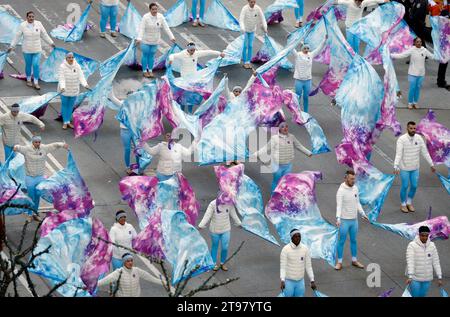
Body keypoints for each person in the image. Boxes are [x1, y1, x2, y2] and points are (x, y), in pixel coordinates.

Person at [13, 136, 69, 213]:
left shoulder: (44, 148)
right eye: (36, 142)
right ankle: (30, 214)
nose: (38, 143)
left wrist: (62, 144)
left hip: (40, 177)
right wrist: (16, 147)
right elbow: (19, 147)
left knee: (37, 196)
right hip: (30, 178)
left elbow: (53, 145)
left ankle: (35, 213)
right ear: (32, 142)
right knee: (31, 197)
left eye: (39, 142)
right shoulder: (26, 149)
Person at [254, 122, 312, 193]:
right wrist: (256, 154)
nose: (285, 128)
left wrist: (308, 153)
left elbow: (299, 146)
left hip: (288, 165)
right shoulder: (274, 138)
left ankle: (281, 198)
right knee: (276, 181)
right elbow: (266, 148)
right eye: (282, 127)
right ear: (279, 129)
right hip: (277, 166)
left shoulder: (291, 137)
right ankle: (273, 197)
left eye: (286, 126)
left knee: (285, 182)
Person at [393, 121, 435, 213]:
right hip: (404, 168)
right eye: (411, 128)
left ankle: (409, 202)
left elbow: (425, 152)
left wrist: (431, 164)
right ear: (407, 128)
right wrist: (396, 165)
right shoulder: (401, 139)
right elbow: (398, 154)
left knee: (414, 186)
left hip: (415, 168)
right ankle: (403, 204)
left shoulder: (419, 138)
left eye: (414, 128)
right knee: (404, 186)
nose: (413, 130)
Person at [8, 11, 55, 90]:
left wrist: (51, 43)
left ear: (34, 17)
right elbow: (17, 36)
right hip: (27, 50)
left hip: (37, 49)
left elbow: (44, 34)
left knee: (36, 65)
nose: (31, 18)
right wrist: (12, 46)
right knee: (28, 65)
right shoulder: (22, 25)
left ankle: (36, 82)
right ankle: (29, 80)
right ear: (27, 17)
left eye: (32, 16)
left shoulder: (39, 24)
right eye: (29, 16)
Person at [335, 170, 369, 271]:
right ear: (346, 178)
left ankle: (354, 260)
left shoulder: (355, 188)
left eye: (354, 179)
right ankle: (339, 262)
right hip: (344, 221)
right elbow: (339, 206)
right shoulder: (341, 191)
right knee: (341, 241)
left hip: (354, 221)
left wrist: (362, 213)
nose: (353, 181)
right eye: (351, 179)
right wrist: (338, 218)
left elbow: (357, 203)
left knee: (354, 240)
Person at [391, 38, 439, 109]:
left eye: (420, 42)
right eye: (417, 42)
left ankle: (415, 102)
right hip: (412, 73)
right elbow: (402, 55)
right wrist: (391, 55)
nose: (419, 43)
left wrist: (441, 56)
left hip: (421, 74)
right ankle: (410, 103)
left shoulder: (424, 50)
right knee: (412, 88)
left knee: (417, 88)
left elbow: (432, 56)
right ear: (414, 43)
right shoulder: (412, 50)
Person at [198, 196, 242, 271]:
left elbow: (234, 215)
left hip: (226, 229)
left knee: (225, 247)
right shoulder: (212, 204)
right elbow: (207, 215)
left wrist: (239, 223)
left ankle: (223, 263)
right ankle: (213, 263)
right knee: (215, 246)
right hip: (215, 230)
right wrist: (201, 225)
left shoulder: (229, 203)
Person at [136, 3, 176, 78]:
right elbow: (141, 28)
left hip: (155, 40)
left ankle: (150, 71)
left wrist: (172, 37)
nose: (155, 11)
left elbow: (166, 28)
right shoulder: (145, 17)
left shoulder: (160, 17)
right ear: (150, 10)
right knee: (145, 55)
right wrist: (139, 38)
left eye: (156, 9)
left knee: (151, 55)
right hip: (146, 40)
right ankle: (144, 71)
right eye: (153, 9)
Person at [97, 253, 164, 297]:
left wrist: (164, 283)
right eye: (128, 261)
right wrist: (91, 286)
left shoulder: (137, 270)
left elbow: (150, 278)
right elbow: (105, 280)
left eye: (131, 260)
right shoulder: (119, 272)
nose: (130, 262)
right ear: (124, 262)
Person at [292, 38, 327, 113]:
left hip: (308, 81)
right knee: (298, 97)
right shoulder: (298, 55)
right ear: (302, 49)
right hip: (299, 80)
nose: (306, 49)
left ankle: (305, 112)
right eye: (305, 48)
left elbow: (319, 48)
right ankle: (297, 112)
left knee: (306, 97)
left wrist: (324, 39)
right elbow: (291, 48)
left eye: (308, 48)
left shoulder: (311, 55)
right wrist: (290, 40)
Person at [406, 226, 443, 297]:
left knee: (422, 295)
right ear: (419, 235)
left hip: (427, 278)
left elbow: (436, 261)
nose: (424, 237)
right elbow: (410, 261)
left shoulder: (432, 245)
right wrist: (410, 276)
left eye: (426, 235)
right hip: (415, 279)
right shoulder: (412, 245)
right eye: (422, 235)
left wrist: (439, 277)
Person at [108, 90, 138, 175]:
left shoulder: (138, 105)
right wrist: (110, 85)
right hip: (125, 131)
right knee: (127, 149)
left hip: (135, 131)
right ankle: (128, 167)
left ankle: (139, 166)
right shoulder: (122, 104)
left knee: (138, 149)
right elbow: (112, 98)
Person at [280, 229, 317, 297]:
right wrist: (282, 280)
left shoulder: (305, 249)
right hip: (288, 282)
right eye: (295, 236)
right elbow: (283, 267)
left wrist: (312, 280)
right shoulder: (285, 250)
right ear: (291, 238)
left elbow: (308, 266)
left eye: (299, 236)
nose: (298, 238)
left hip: (300, 282)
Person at [57, 52, 89, 130]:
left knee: (70, 106)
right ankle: (65, 122)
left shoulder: (77, 66)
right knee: (65, 105)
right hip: (64, 90)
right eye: (69, 58)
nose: (71, 59)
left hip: (74, 90)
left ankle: (68, 121)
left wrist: (85, 84)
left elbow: (81, 76)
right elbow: (61, 78)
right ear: (66, 58)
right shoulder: (62, 67)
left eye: (72, 57)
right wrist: (62, 87)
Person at [239, 0, 268, 69]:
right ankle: (245, 61)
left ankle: (248, 61)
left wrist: (265, 28)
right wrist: (242, 28)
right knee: (245, 46)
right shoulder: (244, 9)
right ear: (248, 1)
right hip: (245, 31)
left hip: (252, 30)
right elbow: (241, 19)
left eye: (254, 2)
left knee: (250, 46)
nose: (253, 3)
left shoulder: (258, 8)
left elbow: (263, 19)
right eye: (251, 2)